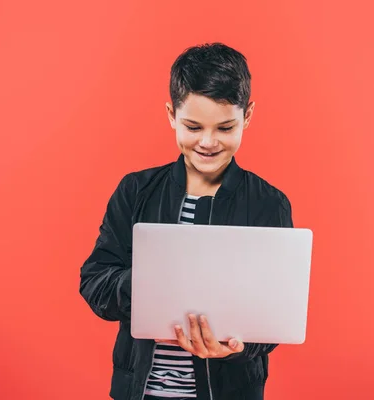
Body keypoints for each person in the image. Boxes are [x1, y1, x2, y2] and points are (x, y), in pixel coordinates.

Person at [79, 42, 294, 400]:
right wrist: (149, 289)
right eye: (193, 127)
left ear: (248, 116)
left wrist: (236, 348)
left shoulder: (269, 204)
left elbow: (276, 317)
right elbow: (95, 281)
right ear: (171, 115)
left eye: (225, 128)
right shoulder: (135, 191)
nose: (207, 142)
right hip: (140, 391)